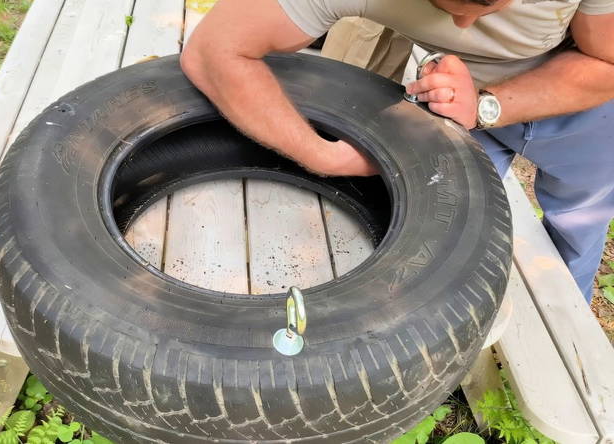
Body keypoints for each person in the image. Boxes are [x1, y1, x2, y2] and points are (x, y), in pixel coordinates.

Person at [179, 0, 614, 303]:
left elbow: (608, 61)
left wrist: (486, 104)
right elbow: (215, 50)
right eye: (444, 5)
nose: (464, 26)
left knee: (579, 224)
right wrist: (320, 154)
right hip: (456, 98)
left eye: (489, 5)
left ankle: (570, 330)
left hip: (584, 104)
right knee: (452, 230)